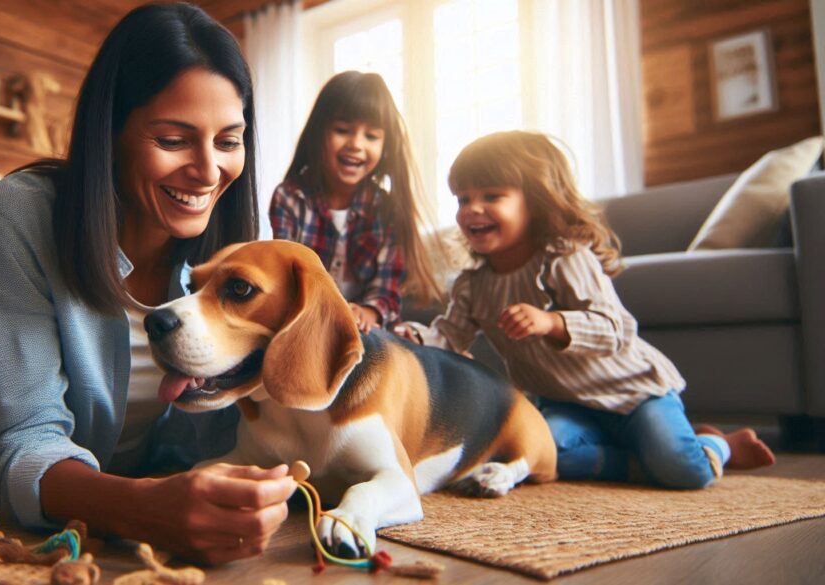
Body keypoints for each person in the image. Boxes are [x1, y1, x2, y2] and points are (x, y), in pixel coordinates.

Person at [0, 3, 296, 565]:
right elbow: (24, 438)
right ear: (112, 134)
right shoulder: (13, 216)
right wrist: (141, 506)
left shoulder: (245, 251)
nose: (207, 171)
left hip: (152, 466)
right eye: (174, 140)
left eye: (229, 141)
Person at [396, 130, 774, 488]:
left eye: (491, 196)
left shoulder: (564, 257)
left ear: (536, 201)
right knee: (544, 456)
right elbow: (449, 337)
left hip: (633, 394)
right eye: (463, 199)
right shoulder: (471, 285)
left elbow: (617, 329)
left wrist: (552, 321)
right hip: (567, 405)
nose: (472, 209)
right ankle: (644, 460)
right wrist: (416, 338)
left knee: (685, 470)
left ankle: (717, 445)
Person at [270, 71, 440, 332]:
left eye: (371, 136)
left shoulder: (388, 210)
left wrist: (368, 312)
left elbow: (386, 288)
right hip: (307, 321)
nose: (356, 144)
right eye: (342, 130)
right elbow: (286, 277)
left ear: (386, 145)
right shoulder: (291, 198)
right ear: (319, 133)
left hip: (368, 331)